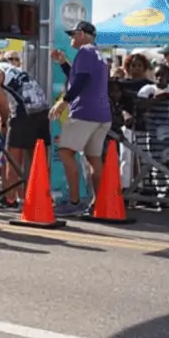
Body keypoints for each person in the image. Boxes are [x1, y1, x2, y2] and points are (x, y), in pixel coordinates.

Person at [50, 21, 110, 215]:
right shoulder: (98, 55)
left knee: (66, 152)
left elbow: (81, 82)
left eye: (73, 35)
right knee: (94, 159)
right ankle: (99, 203)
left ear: (82, 34)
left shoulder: (85, 52)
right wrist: (63, 63)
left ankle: (74, 202)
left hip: (84, 112)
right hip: (102, 114)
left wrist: (63, 102)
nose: (71, 39)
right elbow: (80, 77)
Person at [0, 52, 50, 209]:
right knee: (37, 156)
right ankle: (38, 196)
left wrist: (4, 122)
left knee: (13, 157)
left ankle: (9, 199)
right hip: (42, 109)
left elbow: (3, 105)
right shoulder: (16, 71)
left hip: (24, 112)